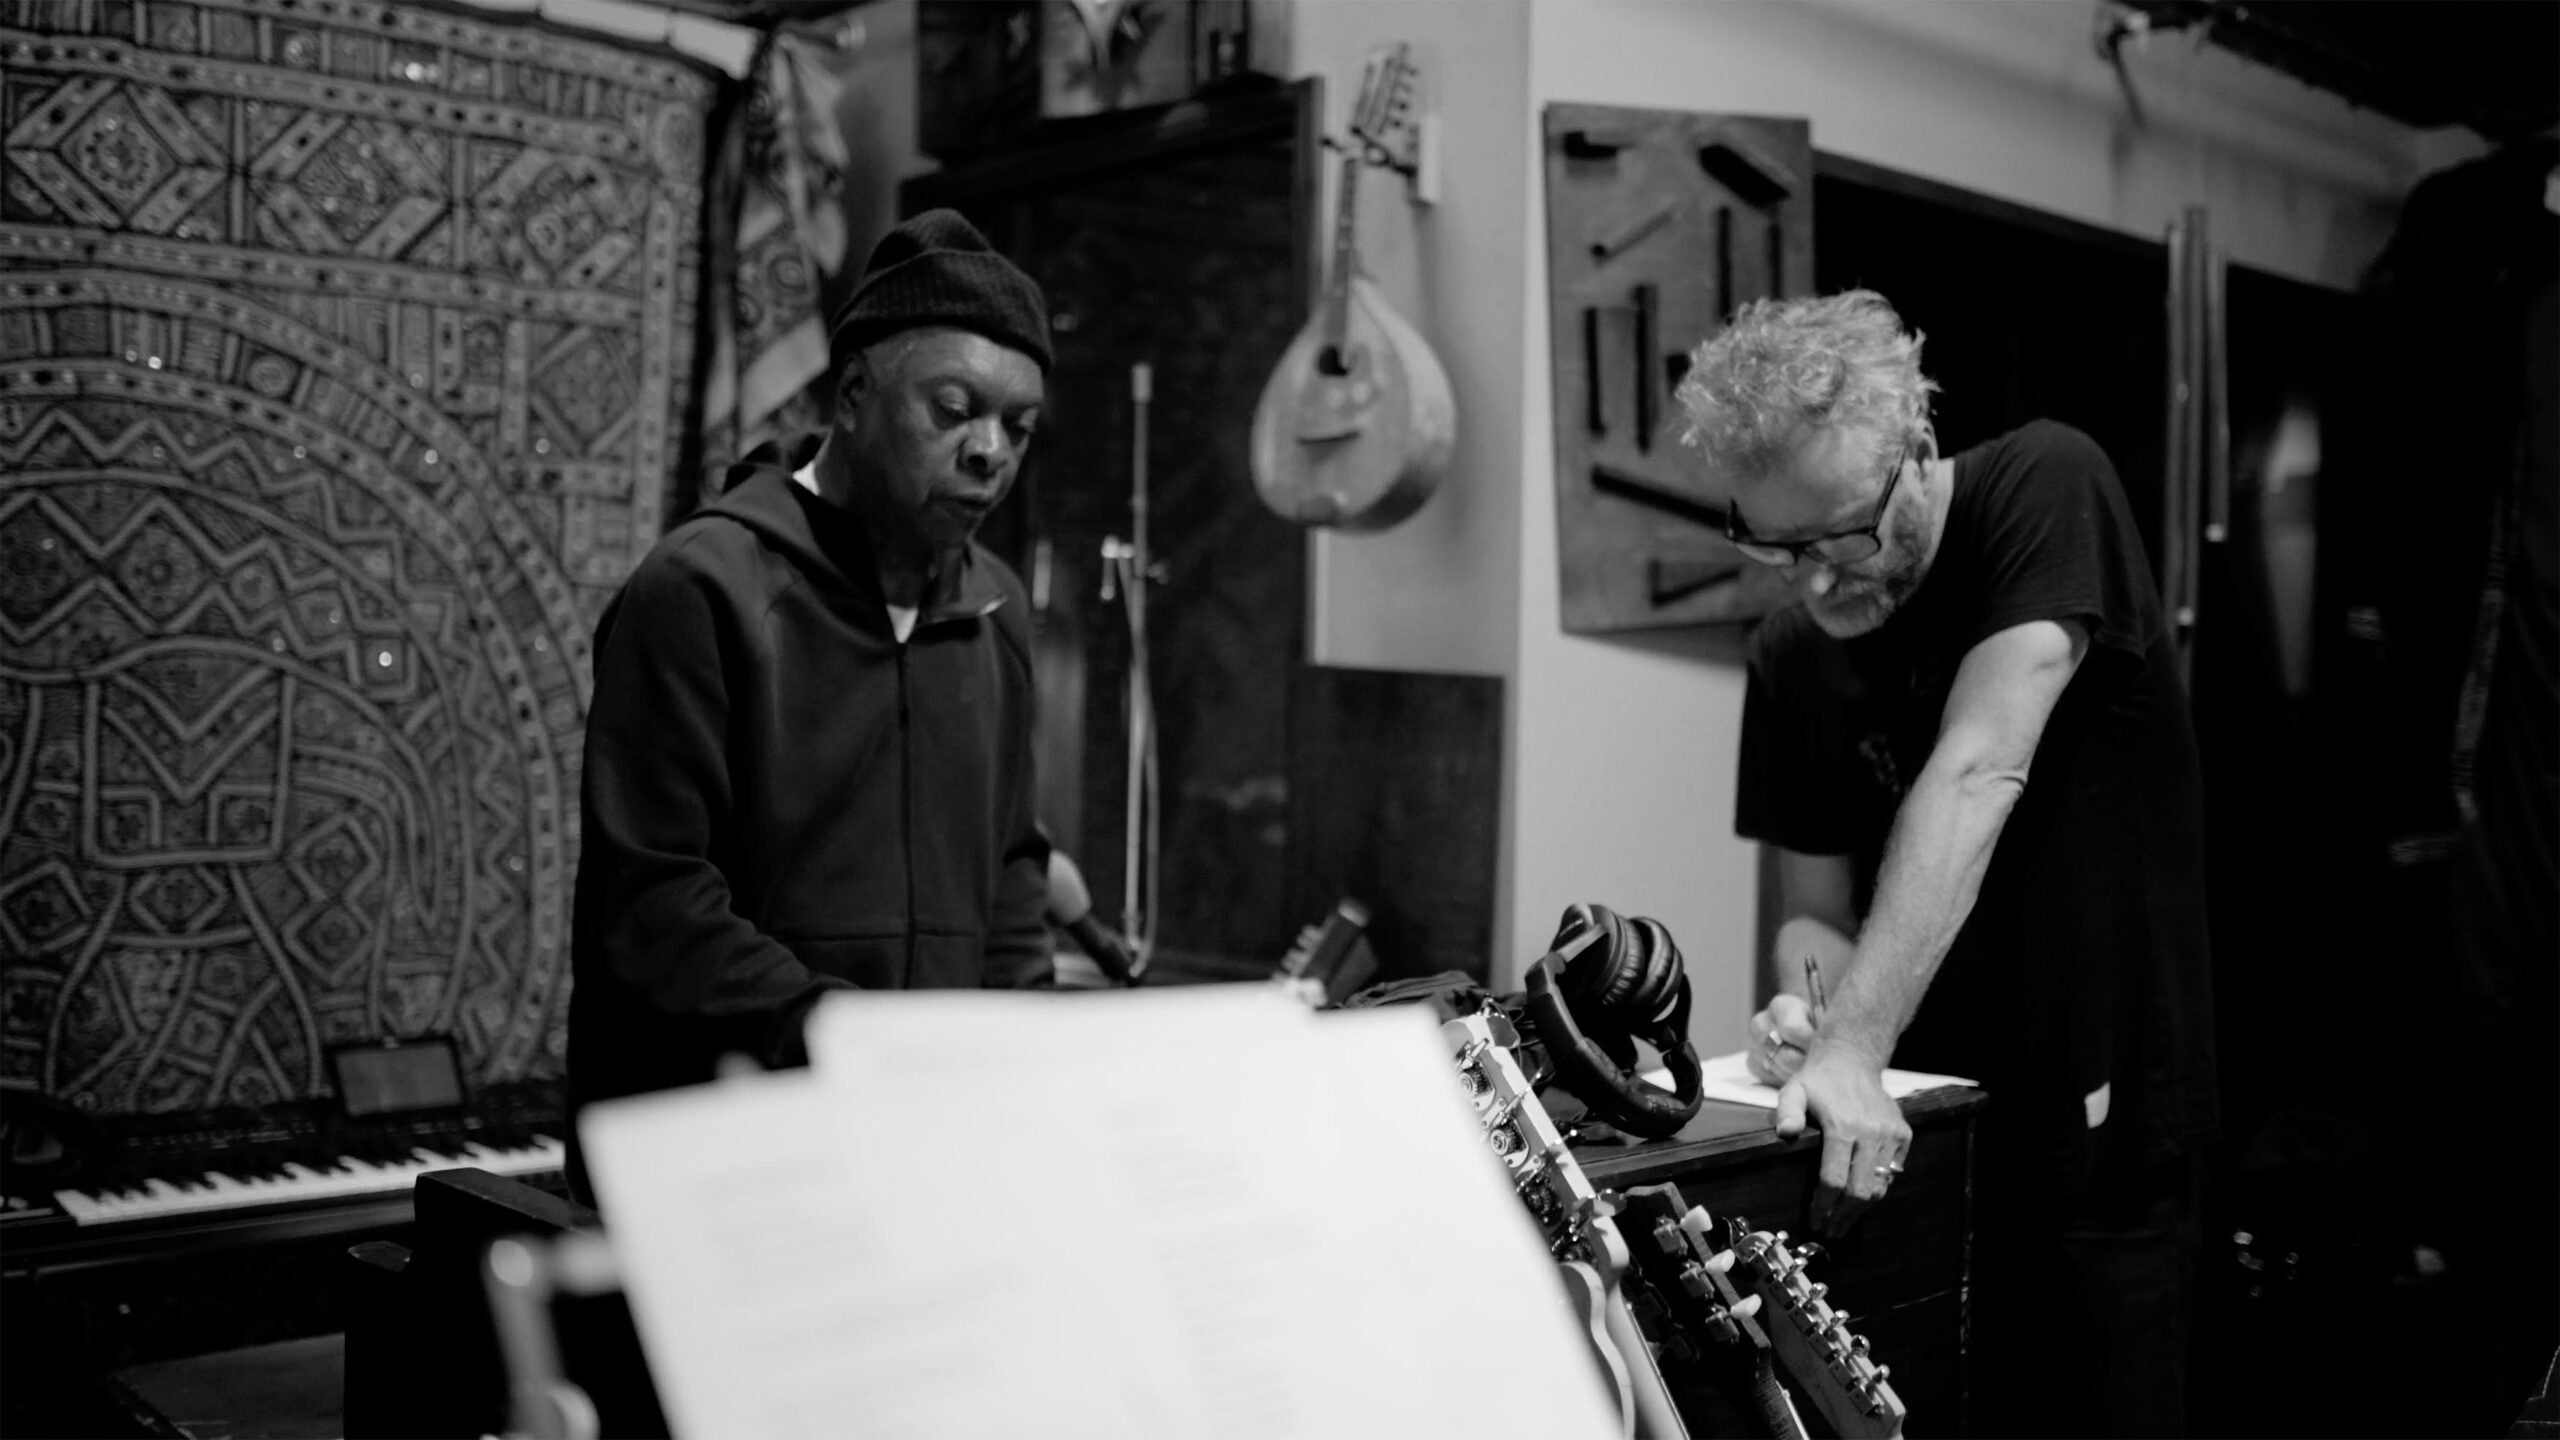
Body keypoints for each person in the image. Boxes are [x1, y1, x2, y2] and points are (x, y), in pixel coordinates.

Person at [1675, 290, 2217, 1436]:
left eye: (1841, 537)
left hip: (2096, 1137)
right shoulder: (1789, 654)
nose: (1814, 579)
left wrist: (1857, 1041)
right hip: (1911, 1136)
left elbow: (1980, 769)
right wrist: (1812, 1018)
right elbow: (1813, 908)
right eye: (1773, 544)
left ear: (1917, 452)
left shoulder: (2042, 485)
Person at [566, 210, 1055, 1164]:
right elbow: (654, 908)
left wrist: (1015, 1064)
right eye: (954, 410)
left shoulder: (995, 611)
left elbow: (1011, 874)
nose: (991, 451)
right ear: (855, 395)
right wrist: (859, 1048)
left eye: (1019, 428)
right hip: (719, 1152)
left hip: (928, 1145)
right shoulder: (705, 589)